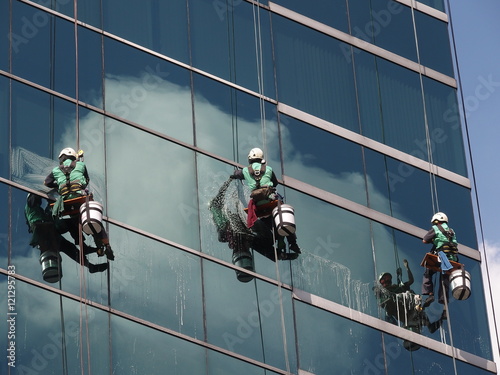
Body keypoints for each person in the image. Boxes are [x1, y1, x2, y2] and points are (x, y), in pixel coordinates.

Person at [44, 147, 114, 260]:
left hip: (66, 201)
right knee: (92, 220)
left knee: (78, 221)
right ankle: (105, 245)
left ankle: (94, 245)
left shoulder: (56, 170)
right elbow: (86, 180)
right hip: (79, 198)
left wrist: (59, 186)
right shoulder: (81, 165)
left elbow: (46, 182)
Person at [230, 148, 300, 259]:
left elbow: (237, 174)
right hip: (271, 201)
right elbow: (275, 183)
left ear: (250, 159)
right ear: (261, 158)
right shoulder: (268, 169)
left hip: (258, 205)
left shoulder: (245, 171)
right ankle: (292, 243)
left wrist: (235, 174)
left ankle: (278, 251)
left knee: (265, 233)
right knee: (283, 219)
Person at [25, 193, 108, 274]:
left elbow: (50, 212)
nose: (39, 201)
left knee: (70, 248)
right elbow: (32, 200)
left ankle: (90, 265)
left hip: (49, 231)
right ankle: (85, 251)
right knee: (70, 225)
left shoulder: (40, 212)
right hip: (42, 229)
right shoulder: (30, 206)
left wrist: (51, 202)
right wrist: (42, 194)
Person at [373, 259, 440, 340]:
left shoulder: (396, 287)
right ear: (381, 282)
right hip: (399, 310)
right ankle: (420, 307)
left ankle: (429, 324)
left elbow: (411, 281)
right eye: (384, 280)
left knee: (413, 298)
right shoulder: (383, 292)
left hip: (407, 309)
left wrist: (407, 268)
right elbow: (382, 300)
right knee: (407, 295)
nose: (387, 281)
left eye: (388, 279)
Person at [421, 212, 459, 319]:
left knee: (428, 272)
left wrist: (433, 240)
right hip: (452, 259)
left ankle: (429, 294)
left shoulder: (435, 228)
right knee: (445, 280)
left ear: (436, 221)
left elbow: (424, 240)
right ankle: (444, 304)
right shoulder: (451, 231)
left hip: (441, 256)